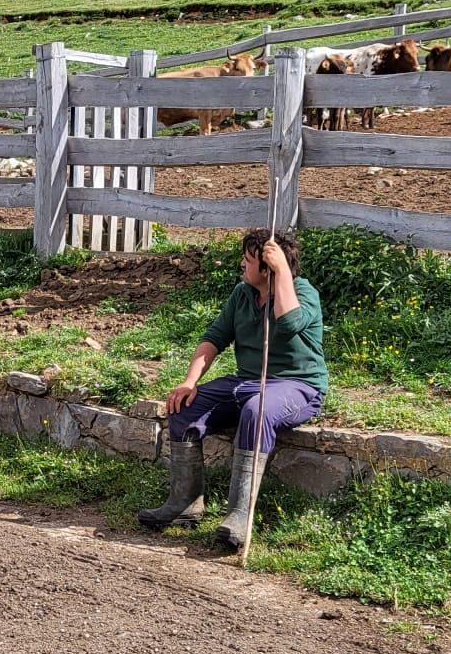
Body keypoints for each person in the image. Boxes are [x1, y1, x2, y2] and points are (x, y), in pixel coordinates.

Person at [137, 227, 328, 549]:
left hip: (296, 386)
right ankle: (185, 505)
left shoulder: (303, 292)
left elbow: (290, 323)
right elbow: (214, 338)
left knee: (258, 409)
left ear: (268, 267)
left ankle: (240, 515)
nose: (242, 265)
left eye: (249, 260)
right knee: (185, 408)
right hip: (244, 382)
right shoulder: (242, 295)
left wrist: (281, 271)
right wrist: (189, 382)